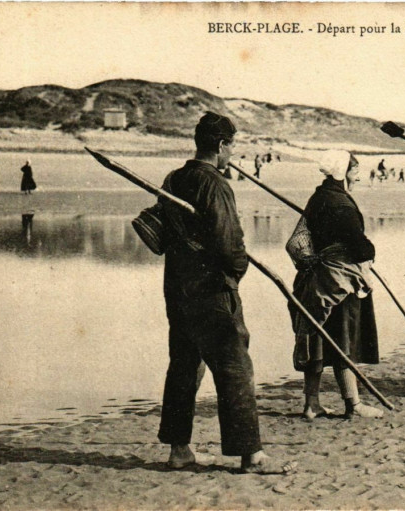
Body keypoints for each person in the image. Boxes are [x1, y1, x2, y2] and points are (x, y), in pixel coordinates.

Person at [156, 112, 294, 474]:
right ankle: (251, 455)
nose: (232, 155)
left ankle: (179, 450)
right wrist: (235, 274)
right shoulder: (213, 183)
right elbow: (229, 243)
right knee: (235, 367)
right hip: (212, 291)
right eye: (231, 147)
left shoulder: (174, 178)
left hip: (178, 288)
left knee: (184, 365)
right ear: (220, 146)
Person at [287, 150, 383, 420]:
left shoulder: (318, 198)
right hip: (340, 281)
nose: (359, 176)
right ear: (343, 172)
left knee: (316, 336)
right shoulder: (341, 203)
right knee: (343, 340)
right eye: (355, 170)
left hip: (316, 277)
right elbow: (359, 246)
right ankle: (353, 404)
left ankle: (311, 404)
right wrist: (369, 251)